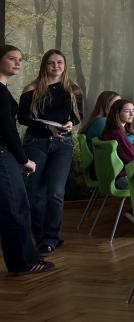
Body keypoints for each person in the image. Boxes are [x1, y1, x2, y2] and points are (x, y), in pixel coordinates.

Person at [18, 49, 82, 257]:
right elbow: (23, 118)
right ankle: (39, 237)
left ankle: (51, 238)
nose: (56, 66)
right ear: (44, 65)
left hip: (62, 145)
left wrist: (71, 123)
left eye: (59, 62)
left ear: (65, 65)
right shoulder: (31, 89)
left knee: (55, 192)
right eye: (51, 63)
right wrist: (47, 127)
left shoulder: (73, 90)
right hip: (36, 142)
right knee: (36, 192)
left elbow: (77, 117)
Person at [0, 44, 54, 274]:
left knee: (12, 207)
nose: (17, 63)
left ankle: (21, 260)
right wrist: (24, 160)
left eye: (20, 60)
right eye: (12, 58)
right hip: (2, 154)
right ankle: (25, 262)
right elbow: (7, 130)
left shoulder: (3, 90)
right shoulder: (0, 92)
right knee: (16, 207)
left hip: (5, 154)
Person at [99, 98, 134, 189]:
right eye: (127, 111)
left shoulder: (109, 131)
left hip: (110, 177)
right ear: (117, 113)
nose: (132, 114)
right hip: (121, 178)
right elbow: (132, 159)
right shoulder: (118, 134)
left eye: (133, 111)